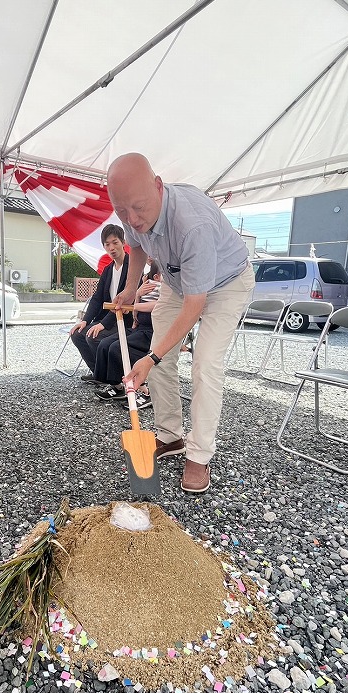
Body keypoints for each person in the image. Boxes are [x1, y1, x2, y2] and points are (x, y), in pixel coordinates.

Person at [108, 153, 254, 494]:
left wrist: (153, 357)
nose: (132, 218)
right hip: (178, 280)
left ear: (158, 187)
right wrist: (130, 288)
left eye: (138, 208)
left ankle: (199, 454)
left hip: (226, 283)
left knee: (204, 362)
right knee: (158, 354)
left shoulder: (193, 224)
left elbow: (194, 307)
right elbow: (136, 245)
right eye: (122, 211)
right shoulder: (132, 207)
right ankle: (170, 436)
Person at [93, 262, 162, 407]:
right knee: (105, 344)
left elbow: (160, 304)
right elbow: (138, 308)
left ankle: (145, 390)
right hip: (139, 327)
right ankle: (117, 385)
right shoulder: (148, 285)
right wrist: (137, 294)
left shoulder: (166, 288)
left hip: (154, 332)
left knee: (118, 348)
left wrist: (132, 306)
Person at [69, 224, 130, 381]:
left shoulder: (132, 267)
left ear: (123, 242)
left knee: (93, 336)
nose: (111, 248)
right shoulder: (108, 269)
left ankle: (111, 377)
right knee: (77, 334)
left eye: (115, 242)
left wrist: (103, 324)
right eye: (107, 244)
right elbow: (97, 298)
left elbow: (125, 302)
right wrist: (85, 320)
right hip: (108, 318)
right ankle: (98, 373)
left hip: (124, 319)